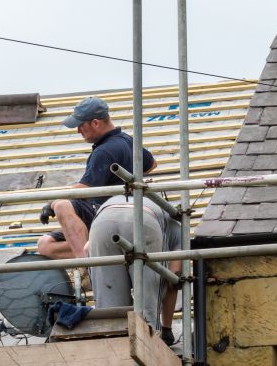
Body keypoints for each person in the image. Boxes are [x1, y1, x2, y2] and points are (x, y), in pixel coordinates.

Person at [36, 96, 155, 259]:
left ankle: (86, 266)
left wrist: (52, 202)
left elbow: (84, 190)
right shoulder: (127, 141)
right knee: (45, 245)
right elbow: (151, 165)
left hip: (108, 214)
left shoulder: (104, 151)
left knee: (62, 205)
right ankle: (92, 250)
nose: (78, 131)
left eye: (80, 125)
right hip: (121, 212)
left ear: (95, 123)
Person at [87, 194, 181, 345]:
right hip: (144, 221)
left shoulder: (119, 198)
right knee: (148, 304)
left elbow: (87, 249)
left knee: (111, 311)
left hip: (101, 223)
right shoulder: (175, 226)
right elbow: (172, 280)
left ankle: (115, 349)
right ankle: (151, 345)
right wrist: (166, 328)